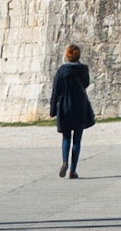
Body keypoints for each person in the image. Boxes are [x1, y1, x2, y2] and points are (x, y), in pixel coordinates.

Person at [49, 44, 94, 178]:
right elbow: (86, 84)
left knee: (66, 137)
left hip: (65, 106)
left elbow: (55, 90)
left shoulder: (62, 71)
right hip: (80, 105)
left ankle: (65, 162)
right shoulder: (83, 69)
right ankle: (73, 170)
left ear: (67, 55)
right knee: (77, 139)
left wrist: (53, 109)